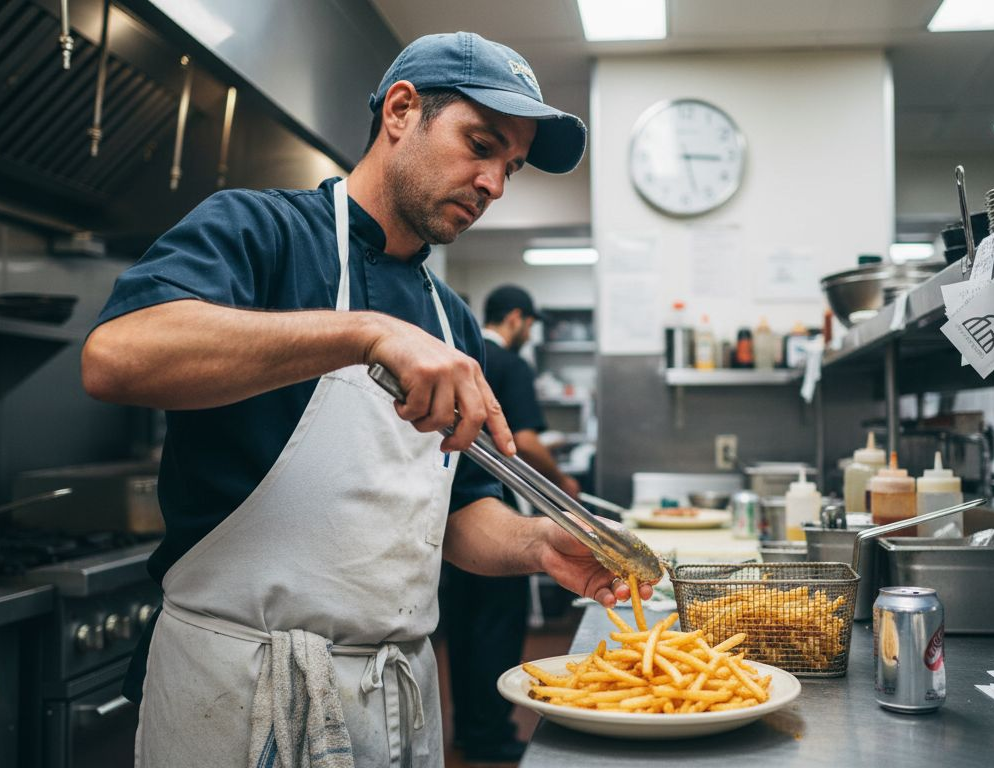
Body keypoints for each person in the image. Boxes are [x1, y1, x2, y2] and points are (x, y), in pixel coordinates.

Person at [82, 32, 648, 768]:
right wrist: (364, 333)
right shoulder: (261, 232)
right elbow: (115, 357)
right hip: (240, 693)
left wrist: (538, 544)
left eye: (508, 167)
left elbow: (456, 509)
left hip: (397, 696)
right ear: (402, 111)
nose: (494, 185)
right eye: (480, 145)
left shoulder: (453, 321)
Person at [440, 285, 578, 762]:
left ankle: (466, 729)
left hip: (449, 519)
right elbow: (525, 440)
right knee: (497, 631)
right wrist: (563, 481)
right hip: (493, 515)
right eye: (531, 324)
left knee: (462, 629)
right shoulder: (511, 365)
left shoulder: (454, 353)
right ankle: (491, 735)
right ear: (517, 319)